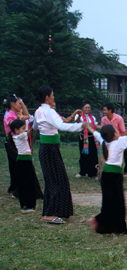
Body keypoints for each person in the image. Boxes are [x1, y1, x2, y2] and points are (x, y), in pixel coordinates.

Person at [85, 119, 127, 234]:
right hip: (114, 176)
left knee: (108, 203)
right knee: (118, 205)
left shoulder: (104, 141)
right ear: (115, 134)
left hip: (106, 176)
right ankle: (109, 225)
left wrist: (89, 128)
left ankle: (106, 227)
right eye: (116, 130)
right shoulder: (120, 142)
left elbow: (96, 134)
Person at [32, 85, 88, 224]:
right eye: (52, 95)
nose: (53, 97)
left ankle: (52, 212)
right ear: (47, 97)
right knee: (56, 181)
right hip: (50, 149)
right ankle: (50, 214)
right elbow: (62, 126)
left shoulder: (39, 111)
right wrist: (82, 126)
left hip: (47, 148)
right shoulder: (48, 111)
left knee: (53, 180)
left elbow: (34, 127)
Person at [9, 119, 42, 213]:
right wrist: (36, 124)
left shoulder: (18, 136)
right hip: (24, 162)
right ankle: (28, 206)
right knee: (28, 184)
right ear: (16, 130)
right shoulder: (20, 136)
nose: (24, 130)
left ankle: (27, 205)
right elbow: (31, 131)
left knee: (26, 183)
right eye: (23, 128)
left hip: (25, 162)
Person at [3, 95, 30, 199]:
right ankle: (17, 189)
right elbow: (15, 125)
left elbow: (27, 116)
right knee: (17, 165)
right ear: (12, 105)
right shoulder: (9, 115)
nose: (20, 106)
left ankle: (15, 187)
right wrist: (19, 118)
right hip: (12, 143)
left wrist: (22, 103)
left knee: (16, 165)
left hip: (18, 142)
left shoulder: (16, 114)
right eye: (18, 104)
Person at [74, 99, 101, 179]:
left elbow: (95, 126)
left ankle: (93, 173)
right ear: (82, 108)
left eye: (88, 108)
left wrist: (104, 127)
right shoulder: (79, 116)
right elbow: (77, 122)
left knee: (93, 155)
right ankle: (82, 172)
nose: (87, 109)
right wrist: (79, 115)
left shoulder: (92, 117)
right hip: (83, 137)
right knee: (84, 155)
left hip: (92, 137)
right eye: (85, 107)